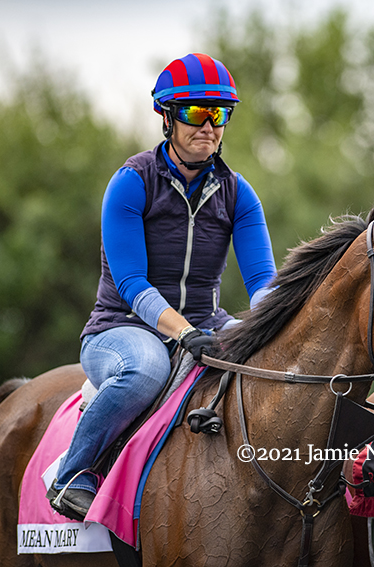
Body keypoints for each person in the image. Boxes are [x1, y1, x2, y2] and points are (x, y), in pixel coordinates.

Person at [47, 53, 277, 521]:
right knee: (147, 369)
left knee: (270, 367)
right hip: (122, 328)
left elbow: (262, 282)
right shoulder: (131, 183)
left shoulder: (239, 193)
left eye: (219, 115)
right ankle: (73, 474)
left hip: (205, 323)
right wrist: (183, 331)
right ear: (167, 118)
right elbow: (131, 282)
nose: (208, 126)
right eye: (196, 112)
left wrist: (277, 329)